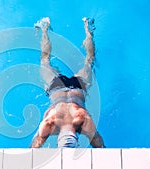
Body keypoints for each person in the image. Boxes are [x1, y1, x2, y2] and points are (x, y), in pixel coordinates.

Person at [30, 17, 105, 148]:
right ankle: (45, 29)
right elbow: (32, 150)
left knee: (89, 60)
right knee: (45, 61)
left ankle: (87, 30)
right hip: (55, 88)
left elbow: (100, 145)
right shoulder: (49, 123)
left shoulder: (83, 120)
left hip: (78, 87)